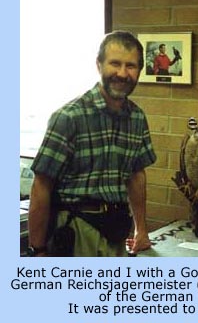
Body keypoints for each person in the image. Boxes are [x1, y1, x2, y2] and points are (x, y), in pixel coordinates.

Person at [27, 31, 157, 257]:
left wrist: (141, 231)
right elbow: (41, 185)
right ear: (99, 65)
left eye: (131, 66)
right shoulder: (69, 118)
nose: (122, 73)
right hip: (77, 231)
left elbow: (136, 176)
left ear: (139, 70)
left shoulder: (137, 118)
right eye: (114, 64)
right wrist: (37, 250)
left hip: (116, 231)